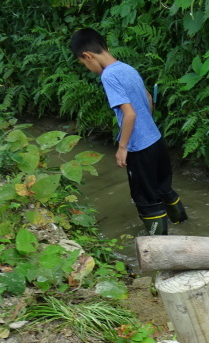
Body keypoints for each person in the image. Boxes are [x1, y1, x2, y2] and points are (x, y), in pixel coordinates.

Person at [69, 28, 187, 235]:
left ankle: (159, 249)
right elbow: (148, 97)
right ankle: (183, 225)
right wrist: (147, 125)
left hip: (140, 148)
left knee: (146, 199)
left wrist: (122, 147)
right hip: (156, 141)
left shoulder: (109, 76)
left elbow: (129, 114)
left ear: (87, 56)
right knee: (163, 189)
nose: (88, 68)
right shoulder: (126, 68)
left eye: (84, 64)